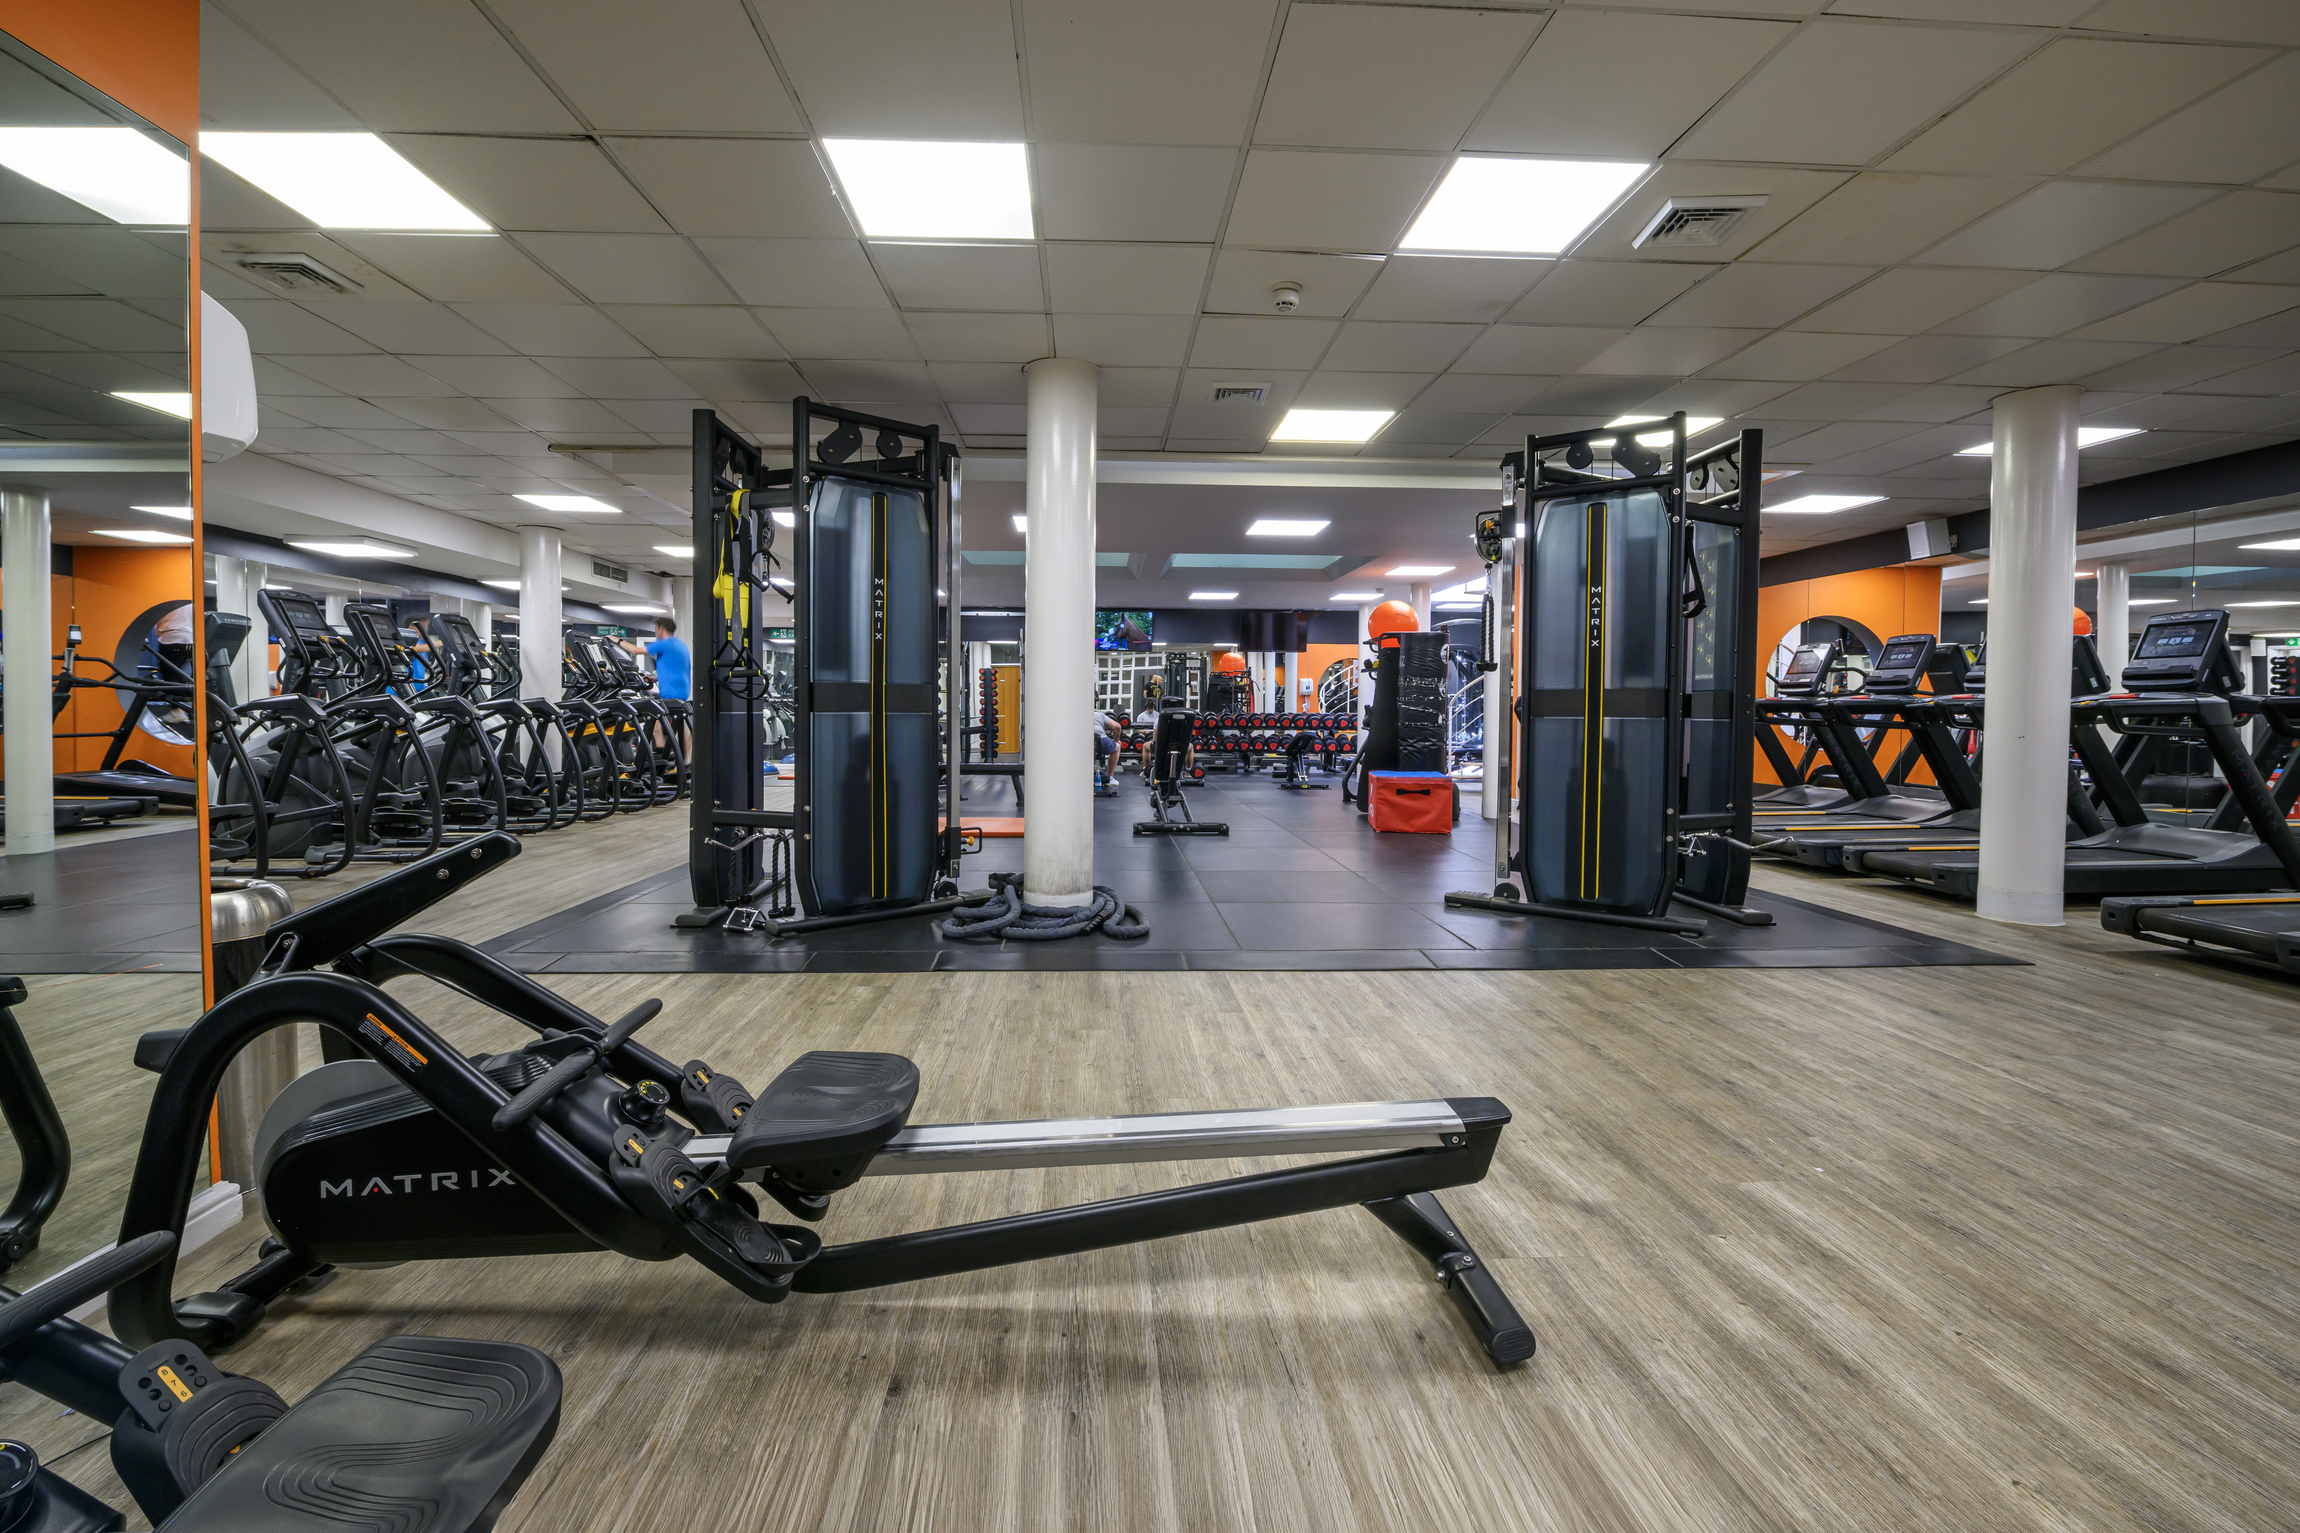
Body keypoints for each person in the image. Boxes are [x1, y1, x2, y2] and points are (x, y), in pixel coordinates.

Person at [619, 616, 691, 761]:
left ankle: (660, 744)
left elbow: (635, 650)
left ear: (661, 629)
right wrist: (655, 679)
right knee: (680, 726)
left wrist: (618, 641)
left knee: (647, 708)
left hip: (670, 694)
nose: (655, 632)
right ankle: (685, 760)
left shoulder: (665, 643)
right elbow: (676, 668)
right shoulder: (680, 645)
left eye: (655, 629)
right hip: (682, 693)